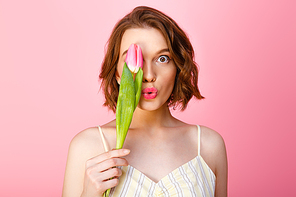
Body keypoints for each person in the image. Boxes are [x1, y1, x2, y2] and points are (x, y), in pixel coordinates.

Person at [62, 6, 227, 197]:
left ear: (178, 68)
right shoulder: (87, 146)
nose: (148, 75)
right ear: (116, 73)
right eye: (135, 60)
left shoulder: (208, 146)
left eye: (162, 58)